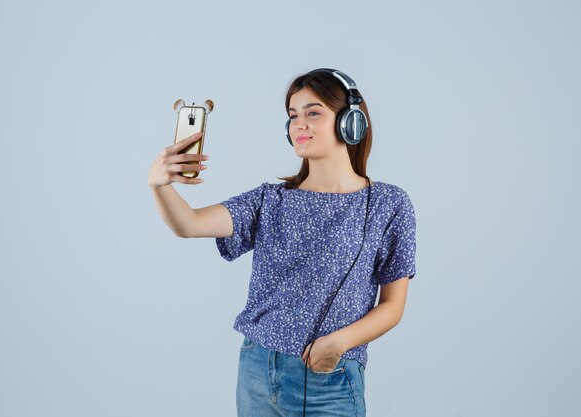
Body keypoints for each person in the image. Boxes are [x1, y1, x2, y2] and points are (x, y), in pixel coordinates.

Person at [148, 68, 417, 417]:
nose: (299, 124)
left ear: (350, 123)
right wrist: (159, 185)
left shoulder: (389, 204)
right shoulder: (270, 200)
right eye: (293, 116)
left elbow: (393, 305)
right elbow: (188, 224)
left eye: (313, 112)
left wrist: (339, 342)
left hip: (329, 378)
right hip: (257, 371)